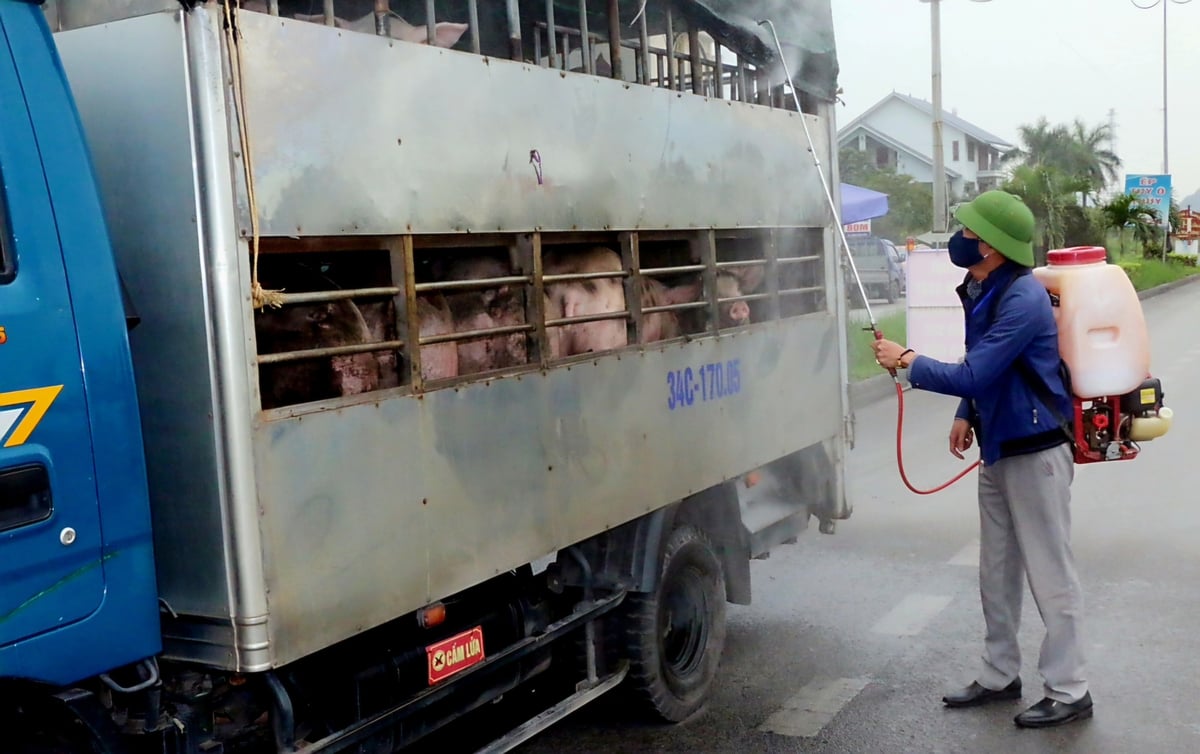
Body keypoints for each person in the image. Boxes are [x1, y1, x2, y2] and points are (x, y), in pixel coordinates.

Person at [871, 190, 1092, 729]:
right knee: (996, 569)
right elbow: (982, 367)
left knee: (1050, 572)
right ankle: (1000, 674)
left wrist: (908, 360)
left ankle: (1070, 687)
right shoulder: (981, 285)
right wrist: (967, 414)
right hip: (999, 444)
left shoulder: (1022, 298)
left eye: (968, 232)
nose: (959, 239)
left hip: (1036, 450)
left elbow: (975, 370)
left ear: (990, 244)